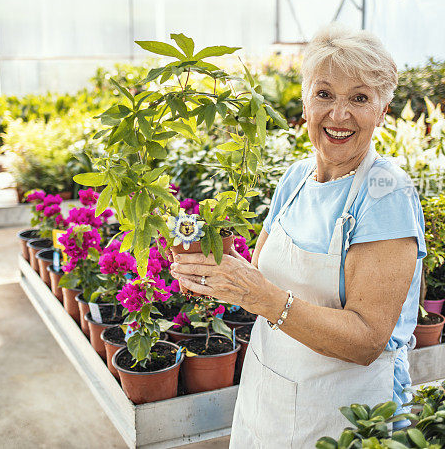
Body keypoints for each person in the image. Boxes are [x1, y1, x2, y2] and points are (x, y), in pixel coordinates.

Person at [170, 23, 425, 447]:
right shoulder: (296, 178)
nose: (338, 115)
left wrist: (259, 297)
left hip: (346, 410)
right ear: (305, 102)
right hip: (268, 393)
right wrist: (215, 274)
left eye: (359, 98)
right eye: (324, 94)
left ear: (382, 111)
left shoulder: (386, 192)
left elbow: (366, 341)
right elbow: (263, 278)